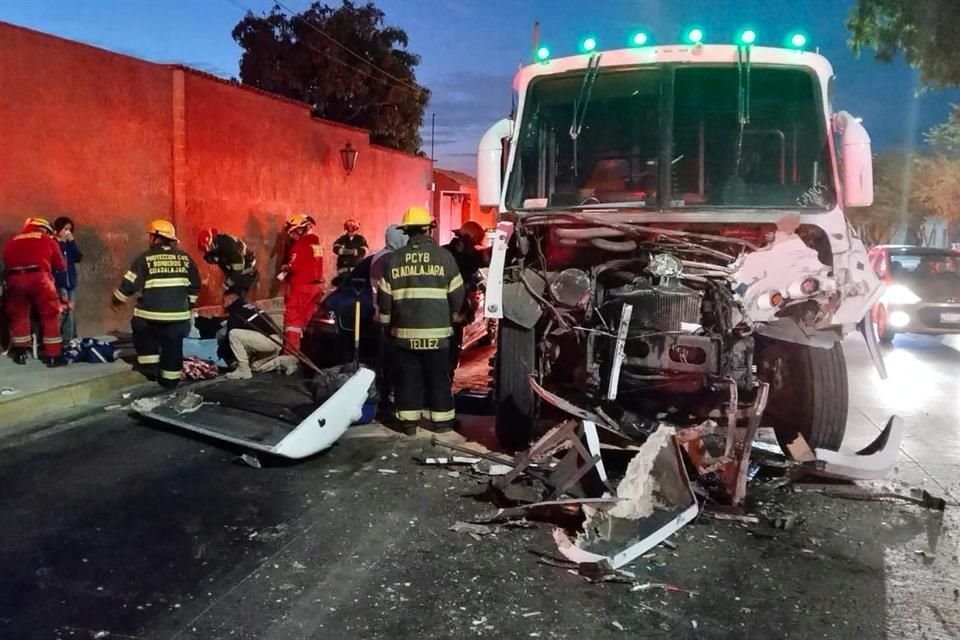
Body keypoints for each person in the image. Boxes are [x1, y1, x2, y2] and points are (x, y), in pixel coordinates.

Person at [377, 206, 464, 436]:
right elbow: (457, 293)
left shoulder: (394, 259)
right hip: (437, 334)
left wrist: (386, 326)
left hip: (404, 335)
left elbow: (384, 298)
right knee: (438, 376)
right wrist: (455, 314)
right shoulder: (444, 257)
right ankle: (442, 423)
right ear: (428, 229)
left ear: (406, 231)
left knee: (408, 378)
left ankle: (408, 424)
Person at [111, 220, 200, 389]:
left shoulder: (145, 258)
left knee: (140, 327)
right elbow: (195, 285)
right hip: (178, 319)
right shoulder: (185, 258)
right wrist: (187, 305)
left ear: (155, 237)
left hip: (150, 317)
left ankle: (150, 368)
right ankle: (170, 380)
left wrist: (118, 298)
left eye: (150, 236)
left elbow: (130, 282)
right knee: (173, 346)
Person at [2, 217, 68, 366]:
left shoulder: (12, 241)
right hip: (40, 279)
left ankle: (20, 353)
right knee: (50, 315)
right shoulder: (46, 240)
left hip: (14, 280)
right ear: (43, 229)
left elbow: (5, 262)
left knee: (19, 316)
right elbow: (60, 265)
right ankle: (53, 355)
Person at [368, 224, 408, 408]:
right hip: (389, 315)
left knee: (388, 358)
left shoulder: (381, 256)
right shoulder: (389, 259)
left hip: (387, 314)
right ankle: (389, 397)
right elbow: (383, 290)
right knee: (391, 359)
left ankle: (388, 395)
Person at [443, 220, 488, 374]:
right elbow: (484, 258)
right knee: (448, 360)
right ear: (469, 240)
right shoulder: (466, 258)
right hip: (452, 315)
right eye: (474, 243)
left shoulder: (443, 252)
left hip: (435, 314)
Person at [221, 293, 297, 379]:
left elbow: (229, 340)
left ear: (230, 300)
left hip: (268, 341)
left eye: (224, 301)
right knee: (254, 367)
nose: (223, 305)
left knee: (233, 334)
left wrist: (223, 355)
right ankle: (284, 361)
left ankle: (243, 370)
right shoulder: (250, 308)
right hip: (277, 342)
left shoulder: (236, 313)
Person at [279, 213, 324, 351]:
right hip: (315, 287)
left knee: (293, 320)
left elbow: (294, 266)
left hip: (301, 288)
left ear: (300, 229)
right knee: (308, 319)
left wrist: (285, 268)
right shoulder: (316, 244)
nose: (292, 236)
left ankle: (291, 354)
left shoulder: (299, 246)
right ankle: (307, 351)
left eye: (293, 232)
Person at [197, 228, 259, 300]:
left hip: (247, 271)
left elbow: (238, 268)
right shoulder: (215, 250)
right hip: (237, 272)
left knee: (234, 299)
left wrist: (225, 286)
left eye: (207, 248)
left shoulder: (226, 244)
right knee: (228, 297)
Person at [53, 216, 83, 342]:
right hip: (59, 284)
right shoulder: (53, 243)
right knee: (65, 312)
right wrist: (61, 242)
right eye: (65, 229)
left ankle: (71, 337)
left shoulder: (69, 244)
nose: (68, 232)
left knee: (71, 312)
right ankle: (66, 339)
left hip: (71, 283)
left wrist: (72, 242)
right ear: (58, 230)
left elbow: (78, 257)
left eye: (70, 230)